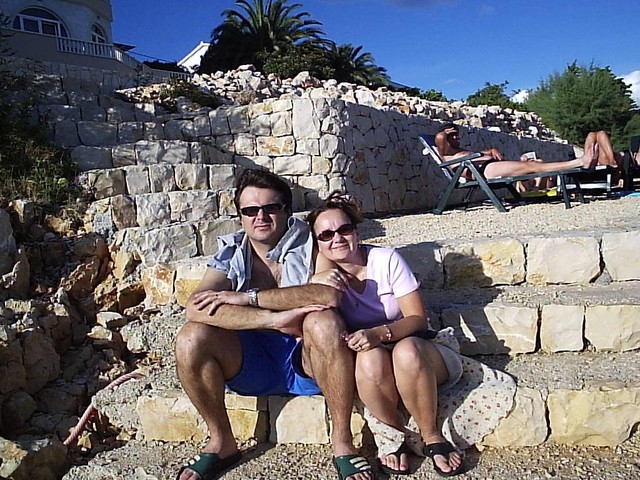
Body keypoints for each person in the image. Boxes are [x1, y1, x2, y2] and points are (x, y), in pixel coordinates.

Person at [174, 170, 374, 480]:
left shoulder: (313, 241)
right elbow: (195, 308)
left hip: (307, 356)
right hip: (252, 360)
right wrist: (272, 318)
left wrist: (248, 297)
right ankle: (221, 442)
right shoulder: (232, 251)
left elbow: (327, 295)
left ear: (287, 210)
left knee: (324, 321)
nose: (261, 216)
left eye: (271, 207)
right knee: (191, 338)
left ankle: (343, 442)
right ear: (240, 216)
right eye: (250, 210)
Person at [306, 192, 466, 476]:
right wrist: (319, 274)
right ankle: (395, 436)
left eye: (344, 229)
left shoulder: (385, 259)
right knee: (370, 359)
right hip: (373, 360)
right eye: (326, 235)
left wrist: (380, 333)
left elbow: (418, 319)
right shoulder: (324, 276)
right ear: (317, 244)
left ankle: (431, 435)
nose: (337, 239)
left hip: (416, 346)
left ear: (356, 231)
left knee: (406, 352)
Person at [435, 123, 599, 181]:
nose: (457, 137)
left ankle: (580, 162)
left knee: (534, 164)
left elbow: (477, 153)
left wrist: (490, 150)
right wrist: (444, 132)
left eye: (457, 134)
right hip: (485, 171)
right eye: (453, 135)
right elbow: (439, 138)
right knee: (532, 167)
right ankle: (579, 162)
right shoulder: (446, 152)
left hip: (490, 166)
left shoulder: (459, 150)